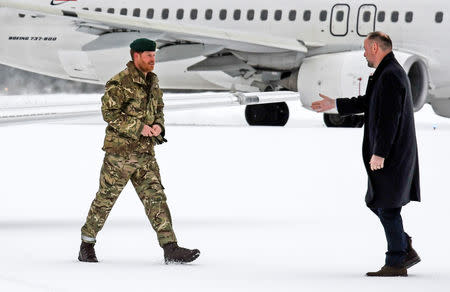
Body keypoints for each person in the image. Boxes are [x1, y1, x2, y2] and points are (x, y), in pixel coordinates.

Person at [78, 38, 200, 264]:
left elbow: (159, 110)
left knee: (156, 198)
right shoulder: (119, 83)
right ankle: (87, 244)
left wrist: (158, 126)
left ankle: (170, 248)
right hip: (120, 155)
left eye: (154, 55)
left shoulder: (153, 81)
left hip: (145, 155)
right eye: (148, 56)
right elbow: (110, 114)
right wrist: (138, 127)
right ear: (136, 56)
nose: (153, 59)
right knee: (105, 200)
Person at [311, 32, 421, 277]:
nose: (363, 54)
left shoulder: (391, 75)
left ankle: (396, 262)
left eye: (364, 49)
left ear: (374, 47)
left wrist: (380, 153)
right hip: (392, 152)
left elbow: (389, 120)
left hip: (392, 153)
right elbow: (368, 102)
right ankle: (403, 249)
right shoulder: (385, 72)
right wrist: (335, 104)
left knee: (387, 206)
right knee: (379, 202)